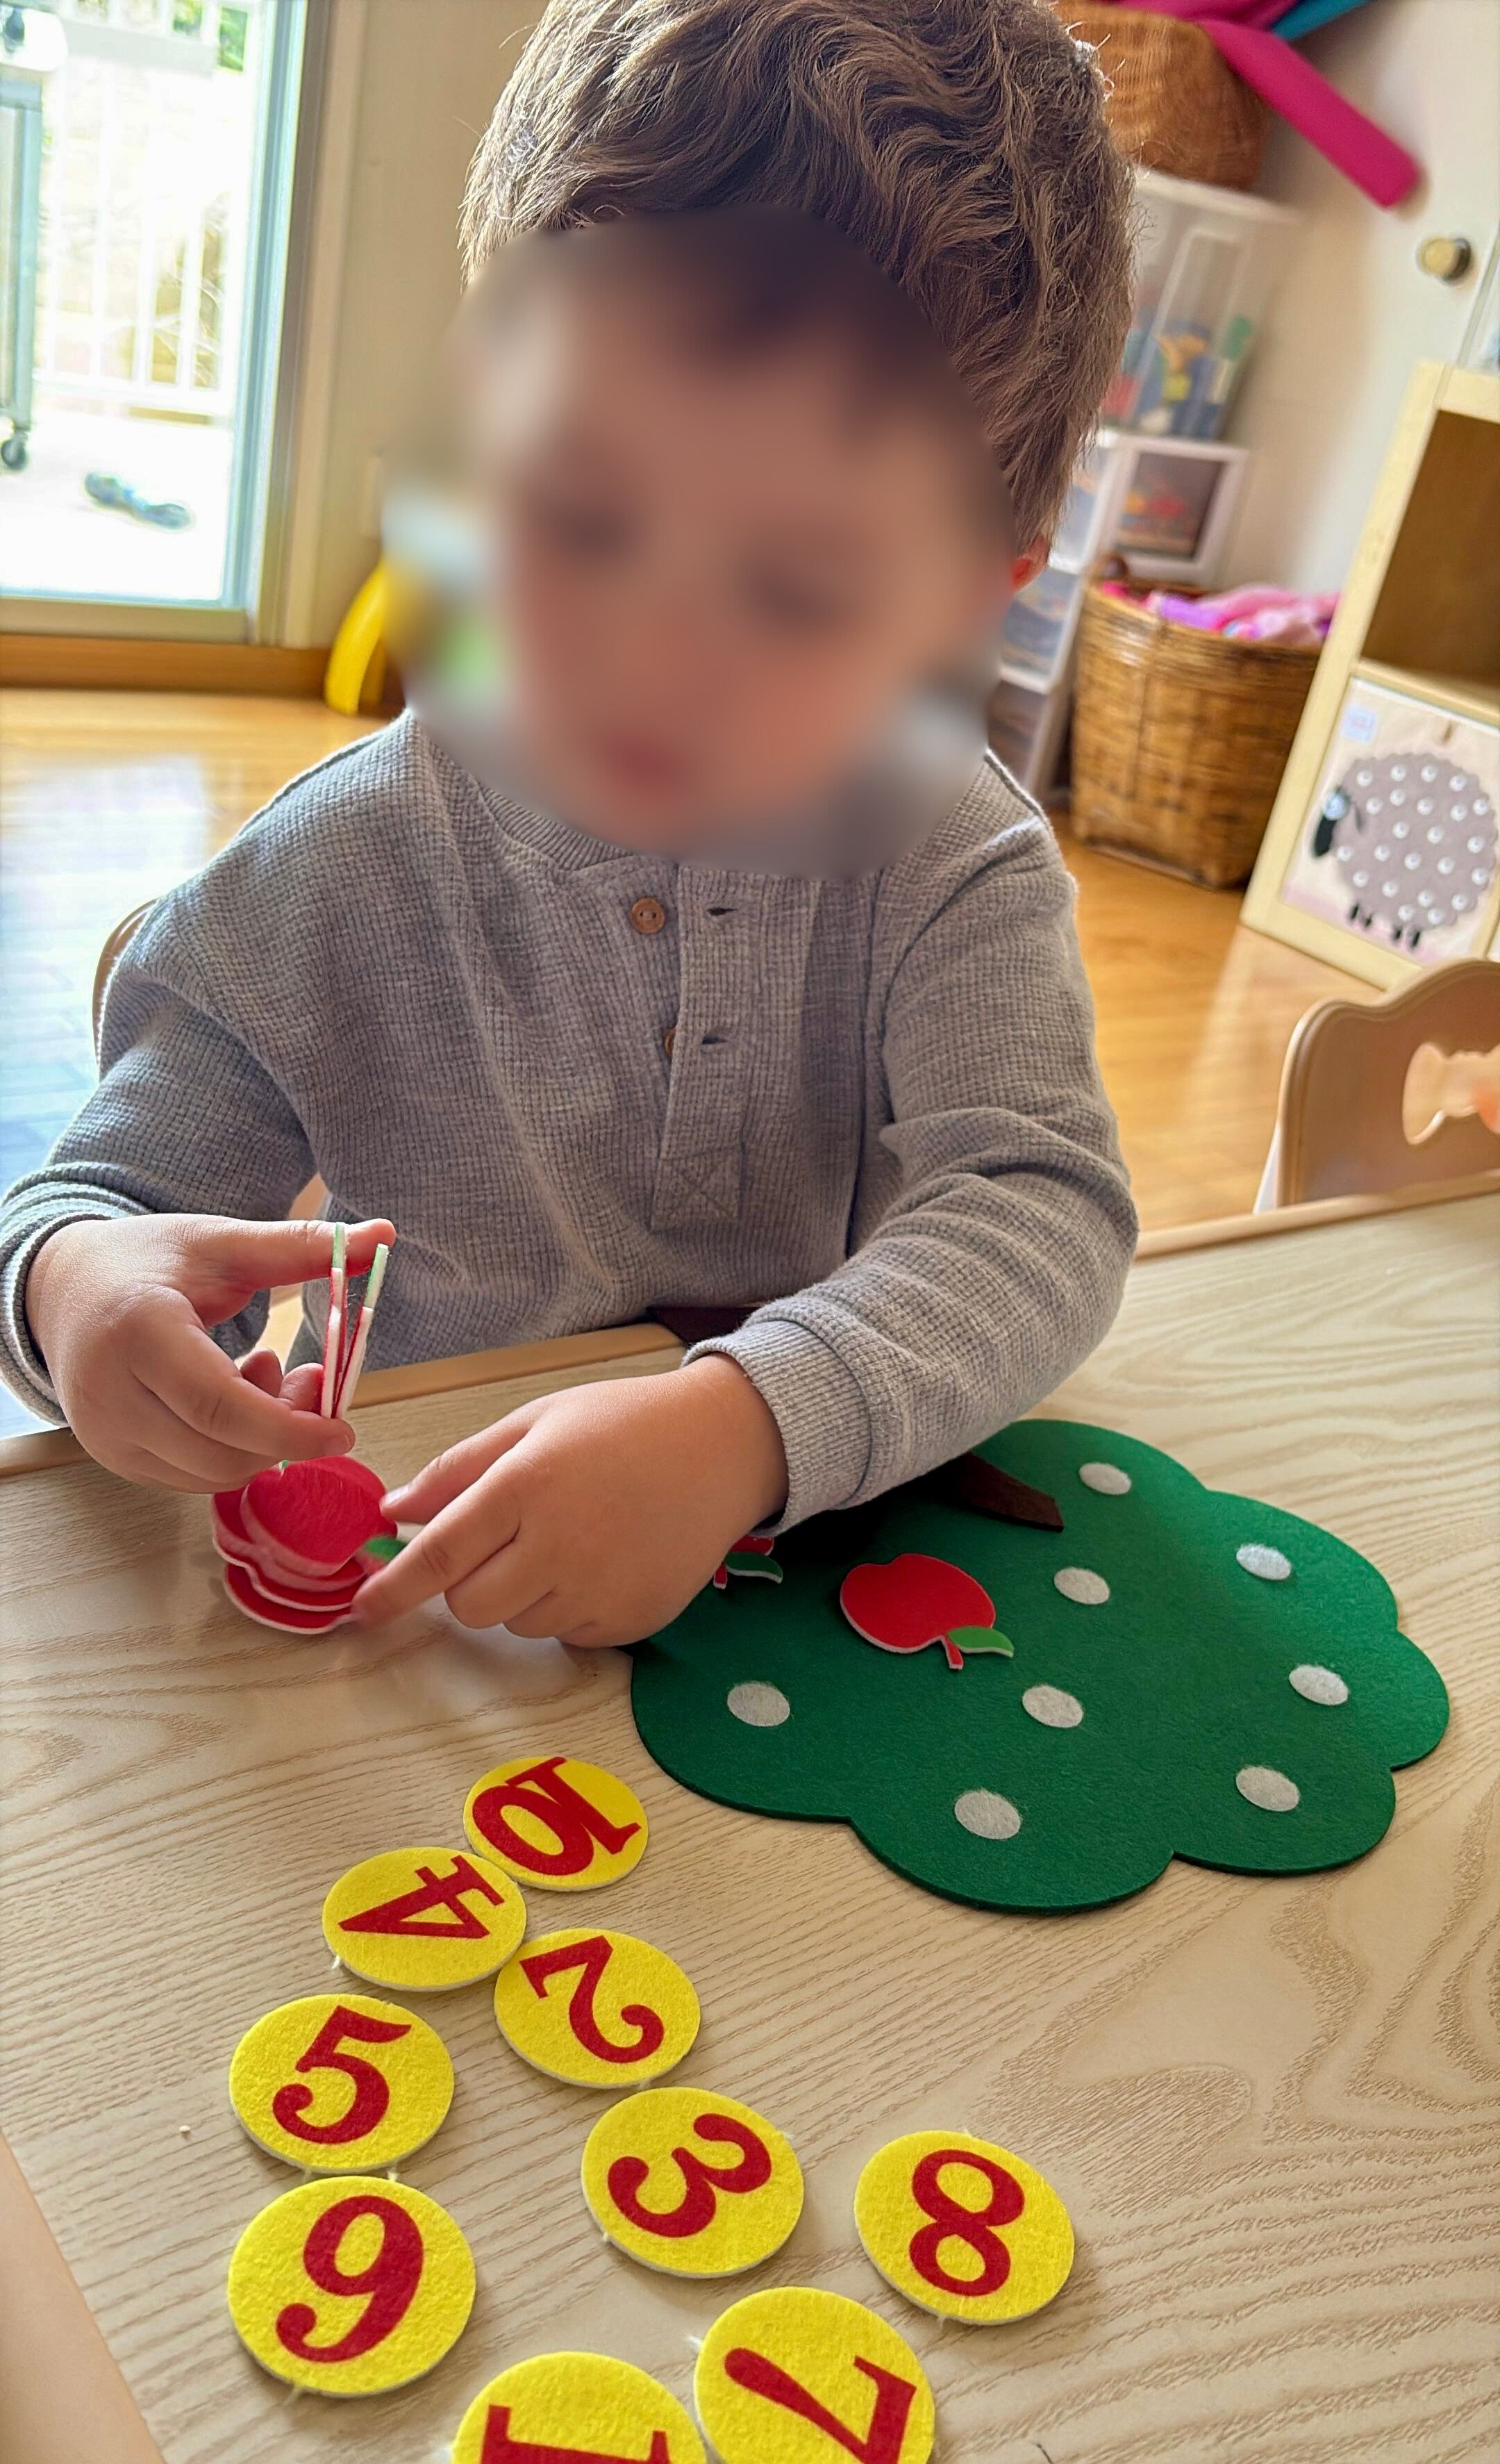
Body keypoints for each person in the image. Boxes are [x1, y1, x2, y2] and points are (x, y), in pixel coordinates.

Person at [0, 0, 1137, 1648]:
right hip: (439, 1611)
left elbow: (1040, 1207)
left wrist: (750, 1424)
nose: (652, 654)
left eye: (799, 587)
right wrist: (81, 1298)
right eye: (578, 511)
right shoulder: (341, 867)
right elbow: (78, 1210)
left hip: (812, 1578)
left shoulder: (948, 858)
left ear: (969, 602)